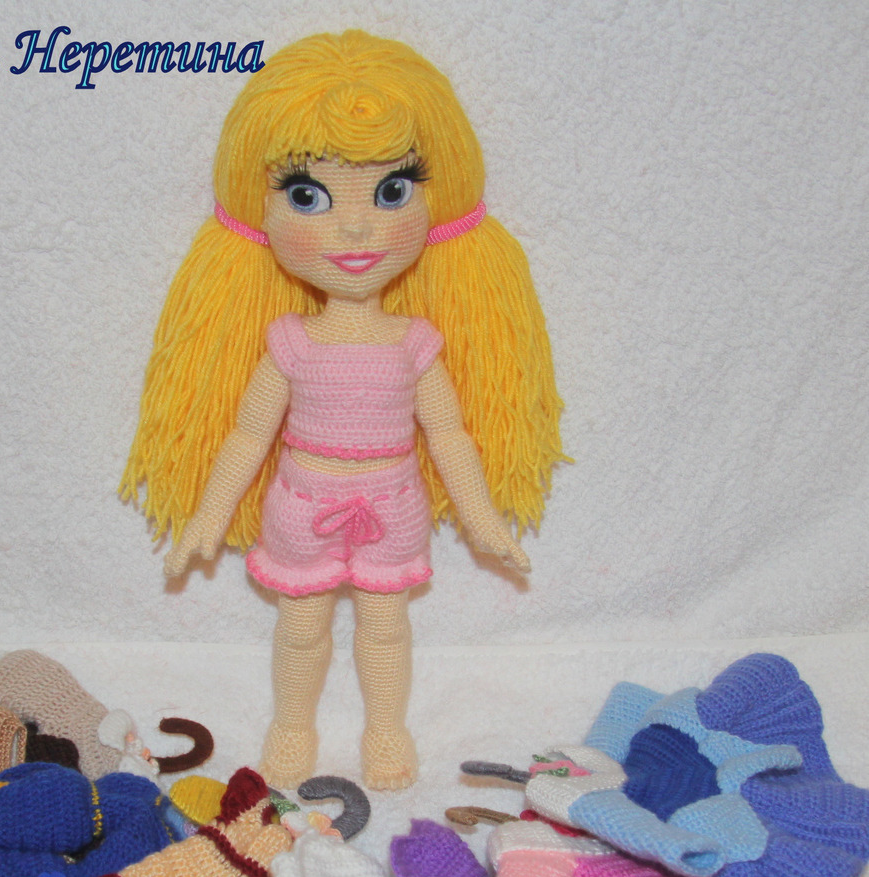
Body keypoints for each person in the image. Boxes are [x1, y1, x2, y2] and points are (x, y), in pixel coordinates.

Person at [122, 30, 564, 790]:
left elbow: (449, 434)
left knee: (386, 629)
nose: (355, 229)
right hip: (302, 504)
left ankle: (385, 730)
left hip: (393, 503)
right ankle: (291, 725)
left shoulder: (415, 342)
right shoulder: (289, 342)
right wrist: (205, 517)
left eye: (391, 192)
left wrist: (484, 518)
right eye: (308, 196)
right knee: (301, 630)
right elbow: (247, 436)